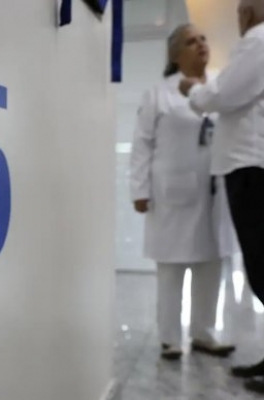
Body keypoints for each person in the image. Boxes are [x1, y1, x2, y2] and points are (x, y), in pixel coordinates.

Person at [130, 24, 236, 361]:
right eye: (191, 42)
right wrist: (139, 189)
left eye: (203, 39)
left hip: (216, 191)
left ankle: (204, 333)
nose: (201, 45)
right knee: (171, 268)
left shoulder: (221, 85)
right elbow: (142, 144)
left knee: (212, 262)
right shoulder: (158, 94)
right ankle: (170, 338)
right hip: (172, 193)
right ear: (175, 54)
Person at [179, 0, 264, 393]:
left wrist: (195, 91)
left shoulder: (258, 40)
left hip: (249, 167)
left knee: (261, 266)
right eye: (190, 40)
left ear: (248, 14)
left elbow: (225, 95)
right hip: (246, 166)